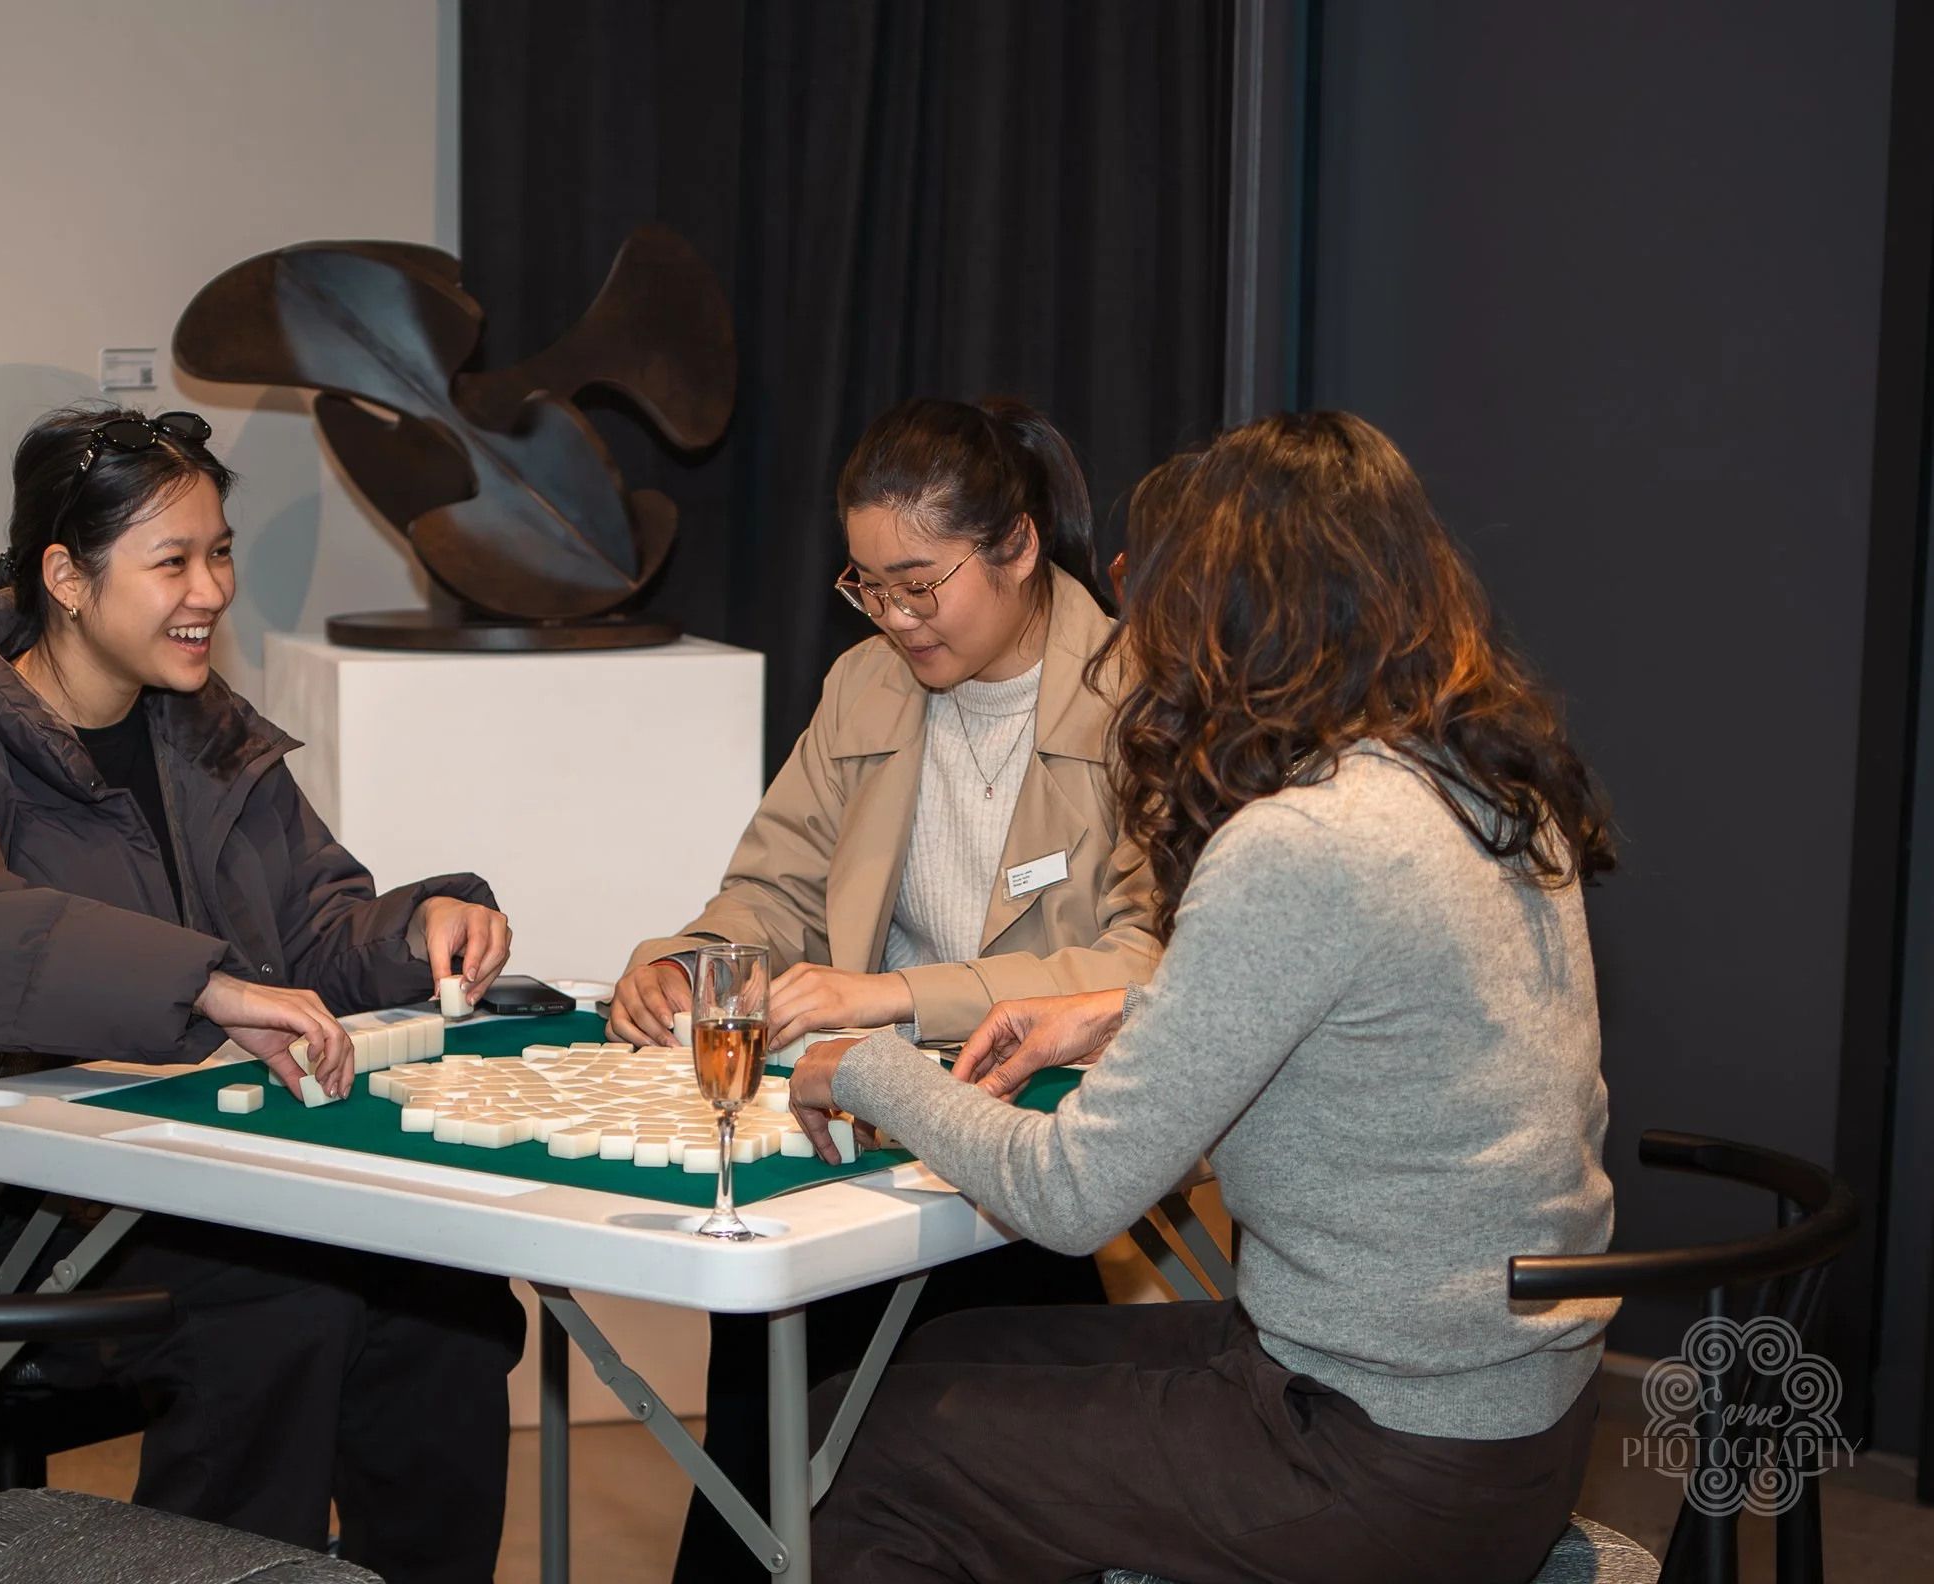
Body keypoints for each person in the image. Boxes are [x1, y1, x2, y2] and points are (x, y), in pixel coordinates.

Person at [789, 410, 1620, 1584]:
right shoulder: (1488, 789)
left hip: (1376, 1457)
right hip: (1511, 1421)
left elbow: (1072, 1195)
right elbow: (1375, 1022)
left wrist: (869, 1061)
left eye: (1149, 588)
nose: (1131, 624)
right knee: (948, 1350)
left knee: (871, 1442)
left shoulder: (1303, 841)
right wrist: (1122, 1014)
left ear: (1230, 612)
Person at [0, 406, 523, 1584]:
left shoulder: (205, 736)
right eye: (171, 561)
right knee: (286, 1297)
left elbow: (312, 928)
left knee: (438, 1290)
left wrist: (417, 930)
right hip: (29, 1215)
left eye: (219, 551)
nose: (209, 589)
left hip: (216, 1172)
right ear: (64, 575)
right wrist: (197, 987)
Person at [606, 396, 1163, 1581]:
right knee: (765, 1353)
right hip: (849, 1111)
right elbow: (772, 892)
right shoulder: (865, 687)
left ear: (1017, 548)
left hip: (1016, 1132)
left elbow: (1144, 963)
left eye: (921, 584)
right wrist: (690, 961)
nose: (898, 618)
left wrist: (896, 1001)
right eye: (869, 587)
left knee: (921, 1444)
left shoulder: (1138, 698)